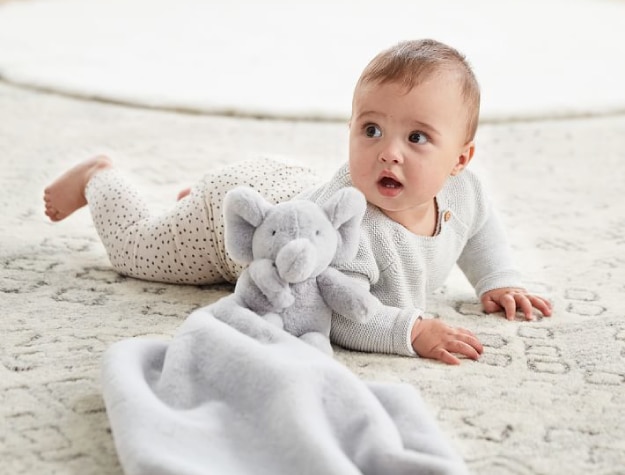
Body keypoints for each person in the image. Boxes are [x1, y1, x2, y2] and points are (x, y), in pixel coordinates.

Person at [43, 39, 552, 365]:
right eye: (370, 129)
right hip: (243, 219)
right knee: (140, 253)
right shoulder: (357, 229)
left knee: (251, 201)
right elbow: (343, 311)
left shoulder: (465, 190)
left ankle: (192, 196)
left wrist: (498, 279)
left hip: (287, 191)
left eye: (417, 138)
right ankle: (101, 176)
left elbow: (480, 226)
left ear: (460, 160)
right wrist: (411, 330)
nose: (388, 153)